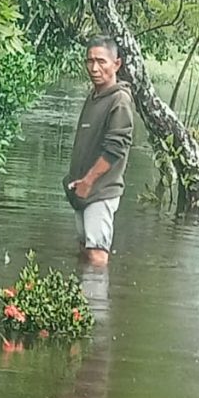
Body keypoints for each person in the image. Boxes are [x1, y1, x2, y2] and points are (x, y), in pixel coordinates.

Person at [64, 36, 135, 268]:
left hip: (100, 191)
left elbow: (116, 148)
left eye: (101, 61)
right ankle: (80, 303)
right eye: (90, 61)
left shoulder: (119, 100)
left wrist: (88, 181)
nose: (94, 68)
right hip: (82, 189)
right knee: (84, 250)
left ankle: (96, 304)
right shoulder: (94, 97)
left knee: (96, 255)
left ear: (117, 64)